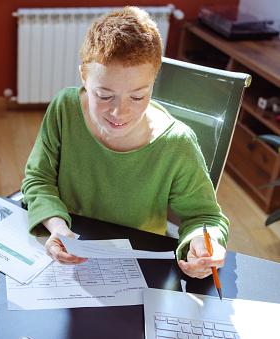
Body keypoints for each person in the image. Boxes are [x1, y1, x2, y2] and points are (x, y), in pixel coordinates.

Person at [21, 6, 228, 279]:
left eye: (138, 97)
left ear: (154, 80)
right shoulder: (64, 108)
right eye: (104, 95)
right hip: (67, 263)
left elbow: (206, 218)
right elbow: (38, 178)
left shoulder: (177, 143)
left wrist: (204, 243)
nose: (120, 112)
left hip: (137, 271)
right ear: (83, 76)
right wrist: (57, 226)